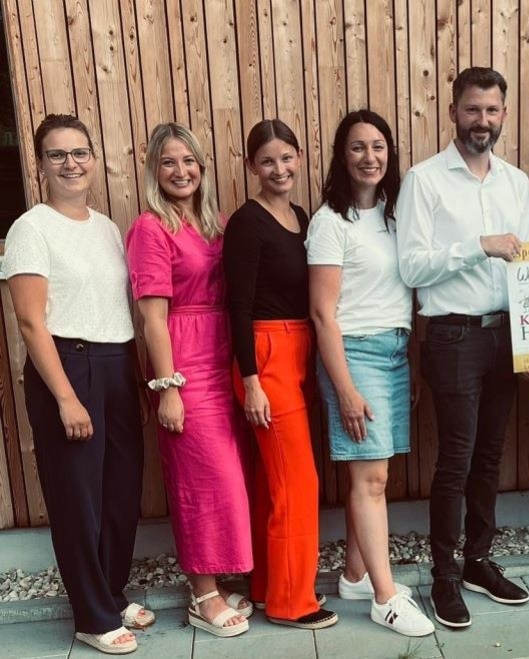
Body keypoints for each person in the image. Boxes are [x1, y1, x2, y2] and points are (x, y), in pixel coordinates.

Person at [396, 67, 529, 628]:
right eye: (473, 109)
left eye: (492, 110)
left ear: (504, 114)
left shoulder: (516, 182)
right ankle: (444, 575)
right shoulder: (424, 180)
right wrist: (479, 246)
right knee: (456, 459)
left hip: (505, 336)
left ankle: (478, 561)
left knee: (489, 457)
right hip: (452, 336)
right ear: (453, 112)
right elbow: (412, 266)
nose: (483, 120)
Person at [2, 114, 147, 655]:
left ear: (93, 158)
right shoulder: (31, 228)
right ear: (40, 164)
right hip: (67, 366)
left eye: (79, 152)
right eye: (57, 154)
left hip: (117, 363)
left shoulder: (106, 228)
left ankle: (110, 592)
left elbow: (117, 308)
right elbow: (30, 321)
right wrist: (66, 397)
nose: (71, 163)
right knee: (78, 499)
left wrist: (135, 378)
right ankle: (92, 615)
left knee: (121, 492)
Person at [307, 110, 435, 637]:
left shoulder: (396, 215)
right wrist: (344, 389)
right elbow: (322, 315)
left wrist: (413, 364)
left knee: (374, 474)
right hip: (355, 354)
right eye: (358, 147)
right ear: (342, 156)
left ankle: (356, 575)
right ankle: (385, 599)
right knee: (371, 478)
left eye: (378, 146)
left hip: (395, 351)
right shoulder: (329, 223)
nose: (369, 157)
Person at [126, 122, 252, 638]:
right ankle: (202, 595)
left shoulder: (215, 223)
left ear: (202, 166)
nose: (181, 171)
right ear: (154, 171)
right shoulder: (151, 228)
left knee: (228, 478)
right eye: (168, 162)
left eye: (188, 161)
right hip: (185, 363)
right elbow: (153, 319)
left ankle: (218, 580)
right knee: (201, 479)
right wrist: (168, 387)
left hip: (222, 359)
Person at [223, 120, 337, 629]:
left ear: (299, 157)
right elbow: (238, 308)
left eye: (286, 157)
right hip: (265, 356)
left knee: (275, 481)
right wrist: (250, 381)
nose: (279, 168)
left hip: (298, 349)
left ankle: (269, 586)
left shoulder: (300, 215)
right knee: (297, 482)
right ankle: (293, 602)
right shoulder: (246, 223)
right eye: (267, 161)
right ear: (252, 166)